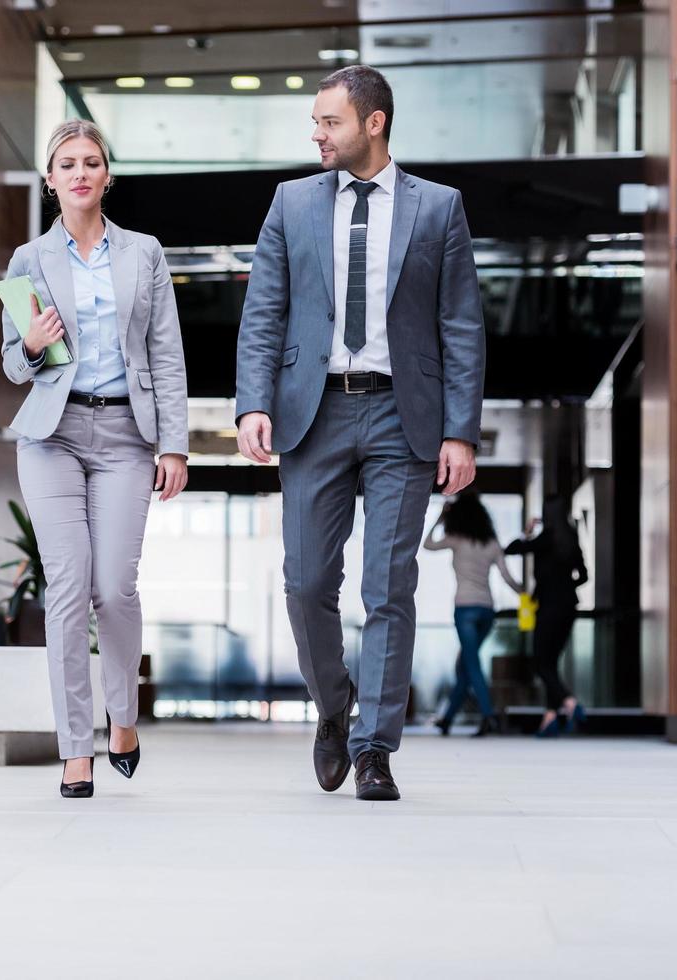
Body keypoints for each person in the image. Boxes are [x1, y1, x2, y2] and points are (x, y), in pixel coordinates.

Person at [235, 65, 485, 802]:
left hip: (401, 417)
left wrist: (460, 431)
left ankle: (375, 748)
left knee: (389, 587)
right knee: (307, 580)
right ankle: (334, 705)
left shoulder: (437, 209)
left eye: (329, 121)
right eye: (315, 121)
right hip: (313, 414)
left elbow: (460, 326)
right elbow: (265, 314)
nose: (316, 133)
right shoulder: (290, 204)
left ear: (372, 123)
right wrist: (254, 402)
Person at [1, 120, 189, 798]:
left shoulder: (144, 254)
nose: (80, 172)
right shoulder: (28, 261)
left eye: (91, 161)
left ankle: (123, 719)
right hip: (52, 434)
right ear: (50, 181)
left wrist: (174, 442)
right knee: (66, 590)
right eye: (66, 164)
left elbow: (165, 353)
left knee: (114, 588)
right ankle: (74, 750)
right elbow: (14, 365)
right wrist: (29, 344)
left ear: (107, 175)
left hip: (125, 439)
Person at [423, 492, 522, 737]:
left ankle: (489, 716)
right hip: (487, 611)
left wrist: (440, 517)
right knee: (466, 665)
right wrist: (525, 592)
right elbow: (507, 577)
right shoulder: (491, 543)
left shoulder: (456, 539)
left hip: (465, 608)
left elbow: (427, 544)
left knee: (471, 664)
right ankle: (446, 720)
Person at [505, 496, 589, 738]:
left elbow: (512, 549)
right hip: (569, 607)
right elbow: (584, 576)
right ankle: (550, 718)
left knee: (540, 663)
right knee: (551, 663)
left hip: (549, 608)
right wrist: (565, 585)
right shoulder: (571, 540)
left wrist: (527, 532)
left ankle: (570, 703)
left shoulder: (544, 539)